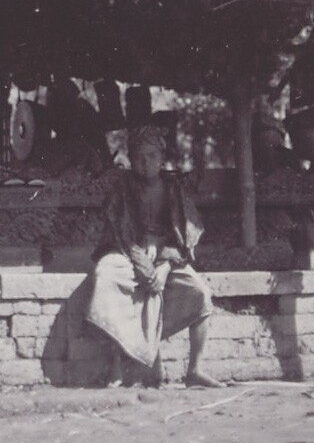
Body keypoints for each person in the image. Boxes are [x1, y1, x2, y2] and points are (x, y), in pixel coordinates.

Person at [83, 124, 222, 388]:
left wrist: (165, 265)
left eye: (151, 156)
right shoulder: (122, 188)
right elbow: (120, 230)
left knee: (200, 292)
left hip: (167, 256)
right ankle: (116, 366)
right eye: (138, 157)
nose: (145, 163)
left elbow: (186, 232)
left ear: (161, 158)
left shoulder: (173, 188)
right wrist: (143, 265)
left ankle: (195, 369)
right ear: (130, 159)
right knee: (105, 277)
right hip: (127, 250)